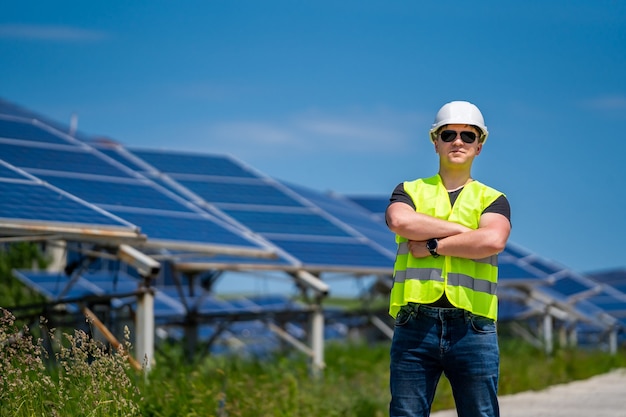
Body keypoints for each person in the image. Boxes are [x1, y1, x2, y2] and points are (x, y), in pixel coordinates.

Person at [385, 100, 511, 417]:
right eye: (449, 134)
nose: (458, 141)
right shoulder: (409, 190)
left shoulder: (493, 198)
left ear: (479, 146)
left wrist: (432, 245)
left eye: (468, 136)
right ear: (435, 142)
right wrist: (464, 233)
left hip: (474, 328)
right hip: (415, 323)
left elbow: (493, 240)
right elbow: (400, 222)